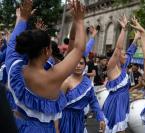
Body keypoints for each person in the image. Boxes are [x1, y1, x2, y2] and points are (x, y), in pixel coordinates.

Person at [6, 0, 86, 132]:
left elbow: (12, 45)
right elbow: (78, 49)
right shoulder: (54, 76)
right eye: (50, 46)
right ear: (46, 51)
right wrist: (80, 20)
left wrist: (22, 19)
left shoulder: (16, 70)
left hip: (18, 125)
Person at [102, 15, 140, 133]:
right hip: (115, 103)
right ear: (118, 57)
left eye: (124, 54)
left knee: (119, 130)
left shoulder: (123, 67)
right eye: (123, 54)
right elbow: (118, 48)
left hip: (123, 102)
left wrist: (137, 36)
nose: (125, 55)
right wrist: (123, 29)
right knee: (116, 130)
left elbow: (131, 51)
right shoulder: (112, 67)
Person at [59, 57, 106, 133]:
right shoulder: (66, 82)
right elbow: (57, 106)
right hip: (65, 119)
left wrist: (101, 118)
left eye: (81, 63)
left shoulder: (88, 83)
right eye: (76, 63)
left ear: (85, 66)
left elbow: (93, 102)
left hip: (80, 119)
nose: (78, 66)